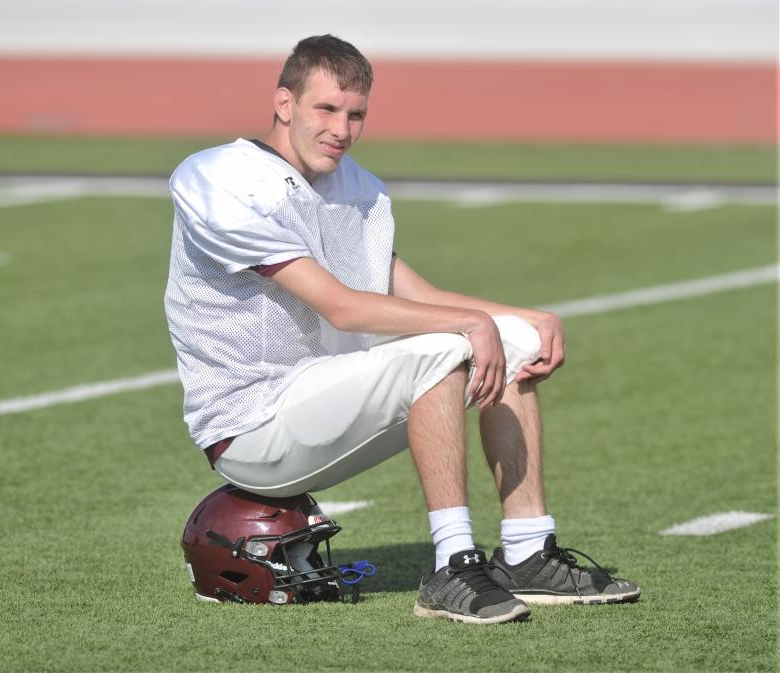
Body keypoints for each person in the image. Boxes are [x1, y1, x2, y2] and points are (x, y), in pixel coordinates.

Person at [164, 34, 640, 623]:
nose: (342, 128)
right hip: (251, 424)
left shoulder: (353, 186)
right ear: (284, 103)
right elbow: (341, 307)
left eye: (356, 114)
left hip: (327, 396)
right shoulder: (220, 176)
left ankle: (527, 552)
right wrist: (470, 325)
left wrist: (520, 319)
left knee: (515, 342)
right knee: (446, 347)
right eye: (326, 109)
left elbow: (412, 294)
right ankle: (452, 564)